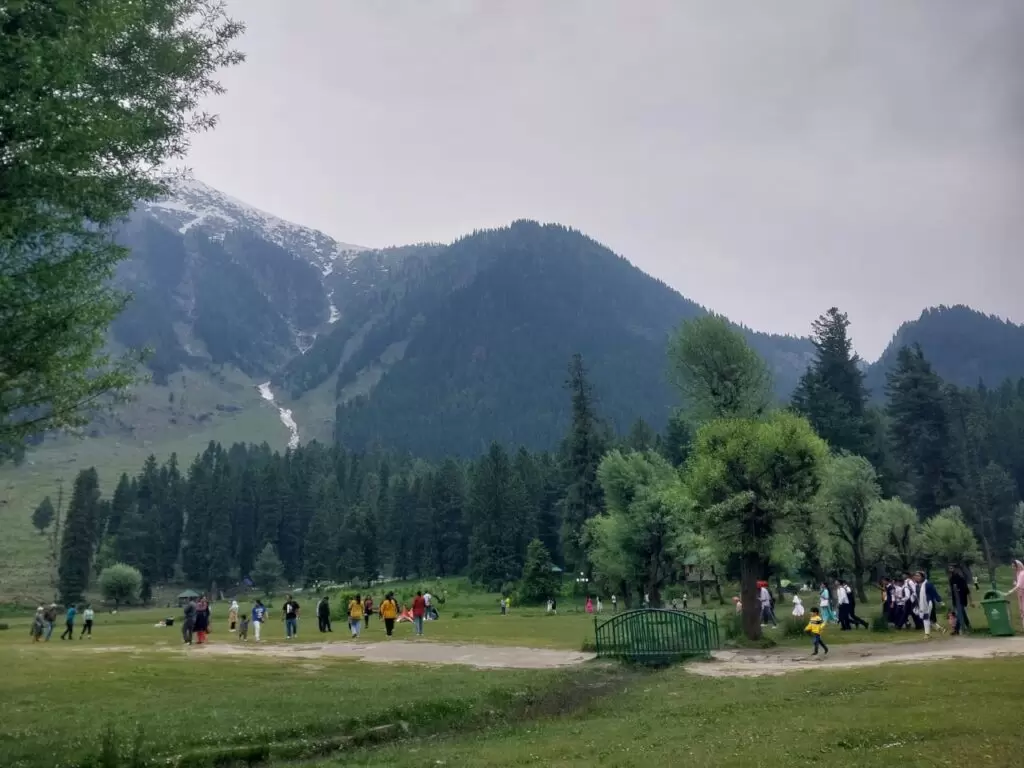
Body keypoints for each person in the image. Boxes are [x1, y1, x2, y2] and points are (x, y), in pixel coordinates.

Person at [913, 571, 944, 638]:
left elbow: (934, 593)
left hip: (928, 603)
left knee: (926, 618)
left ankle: (927, 634)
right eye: (916, 576)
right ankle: (940, 629)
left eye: (918, 576)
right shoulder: (916, 586)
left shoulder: (928, 584)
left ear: (922, 577)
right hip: (921, 604)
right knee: (929, 619)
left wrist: (940, 601)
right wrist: (916, 604)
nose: (917, 577)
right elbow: (917, 596)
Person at [948, 565, 972, 633]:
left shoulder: (961, 578)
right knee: (962, 613)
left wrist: (971, 601)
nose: (951, 570)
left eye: (952, 568)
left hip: (961, 598)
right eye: (950, 569)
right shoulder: (951, 579)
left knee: (959, 613)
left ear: (956, 569)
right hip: (955, 598)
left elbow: (967, 590)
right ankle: (968, 626)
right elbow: (952, 590)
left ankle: (956, 629)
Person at [1003, 560, 1024, 632]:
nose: (1012, 567)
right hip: (1020, 594)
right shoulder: (1018, 574)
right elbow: (1019, 584)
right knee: (1021, 610)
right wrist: (1015, 583)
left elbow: (1019, 586)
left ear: (1017, 566)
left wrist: (1010, 592)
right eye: (1012, 566)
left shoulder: (1022, 574)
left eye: (1014, 566)